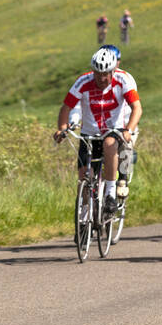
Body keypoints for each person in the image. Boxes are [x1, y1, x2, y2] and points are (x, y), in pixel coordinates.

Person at [54, 47, 142, 215]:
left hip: (114, 129)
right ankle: (84, 216)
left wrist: (129, 130)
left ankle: (110, 194)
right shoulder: (82, 82)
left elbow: (136, 108)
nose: (101, 78)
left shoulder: (124, 80)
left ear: (113, 71)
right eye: (97, 73)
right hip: (89, 133)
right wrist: (62, 129)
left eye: (105, 74)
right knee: (84, 176)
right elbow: (66, 107)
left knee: (110, 144)